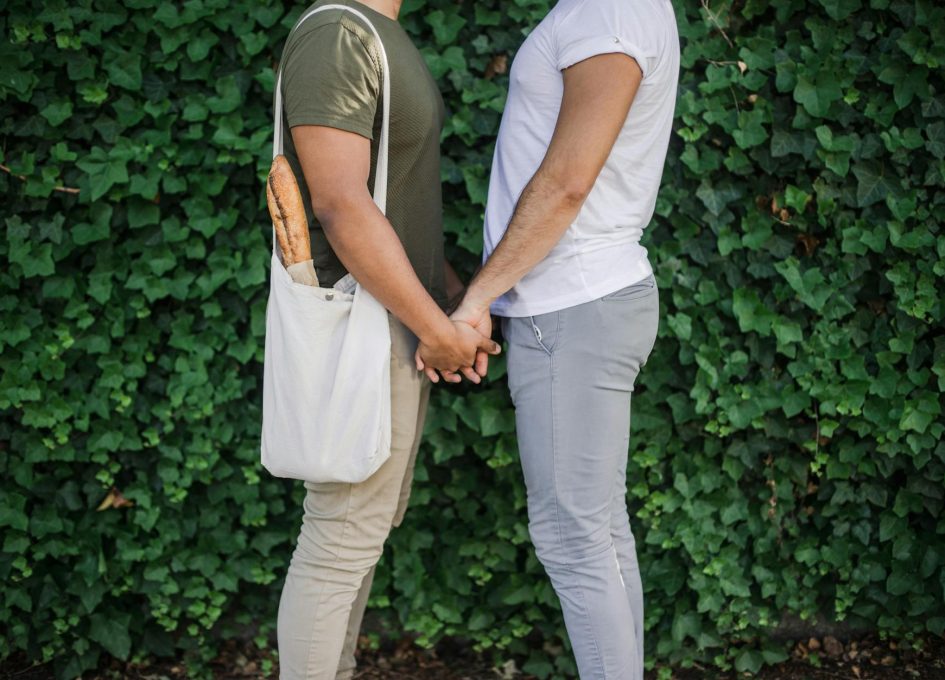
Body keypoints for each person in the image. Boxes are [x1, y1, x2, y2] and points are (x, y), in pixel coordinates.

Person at [419, 0, 680, 677]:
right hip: (580, 301)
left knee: (572, 537)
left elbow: (568, 181)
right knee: (596, 531)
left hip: (572, 304)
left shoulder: (608, 9)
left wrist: (477, 296)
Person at [272, 1, 499, 678]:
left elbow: (390, 200)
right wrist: (437, 328)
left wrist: (454, 299)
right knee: (339, 536)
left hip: (393, 323)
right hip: (363, 329)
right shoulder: (337, 34)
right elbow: (340, 202)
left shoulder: (375, 32)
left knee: (358, 535)